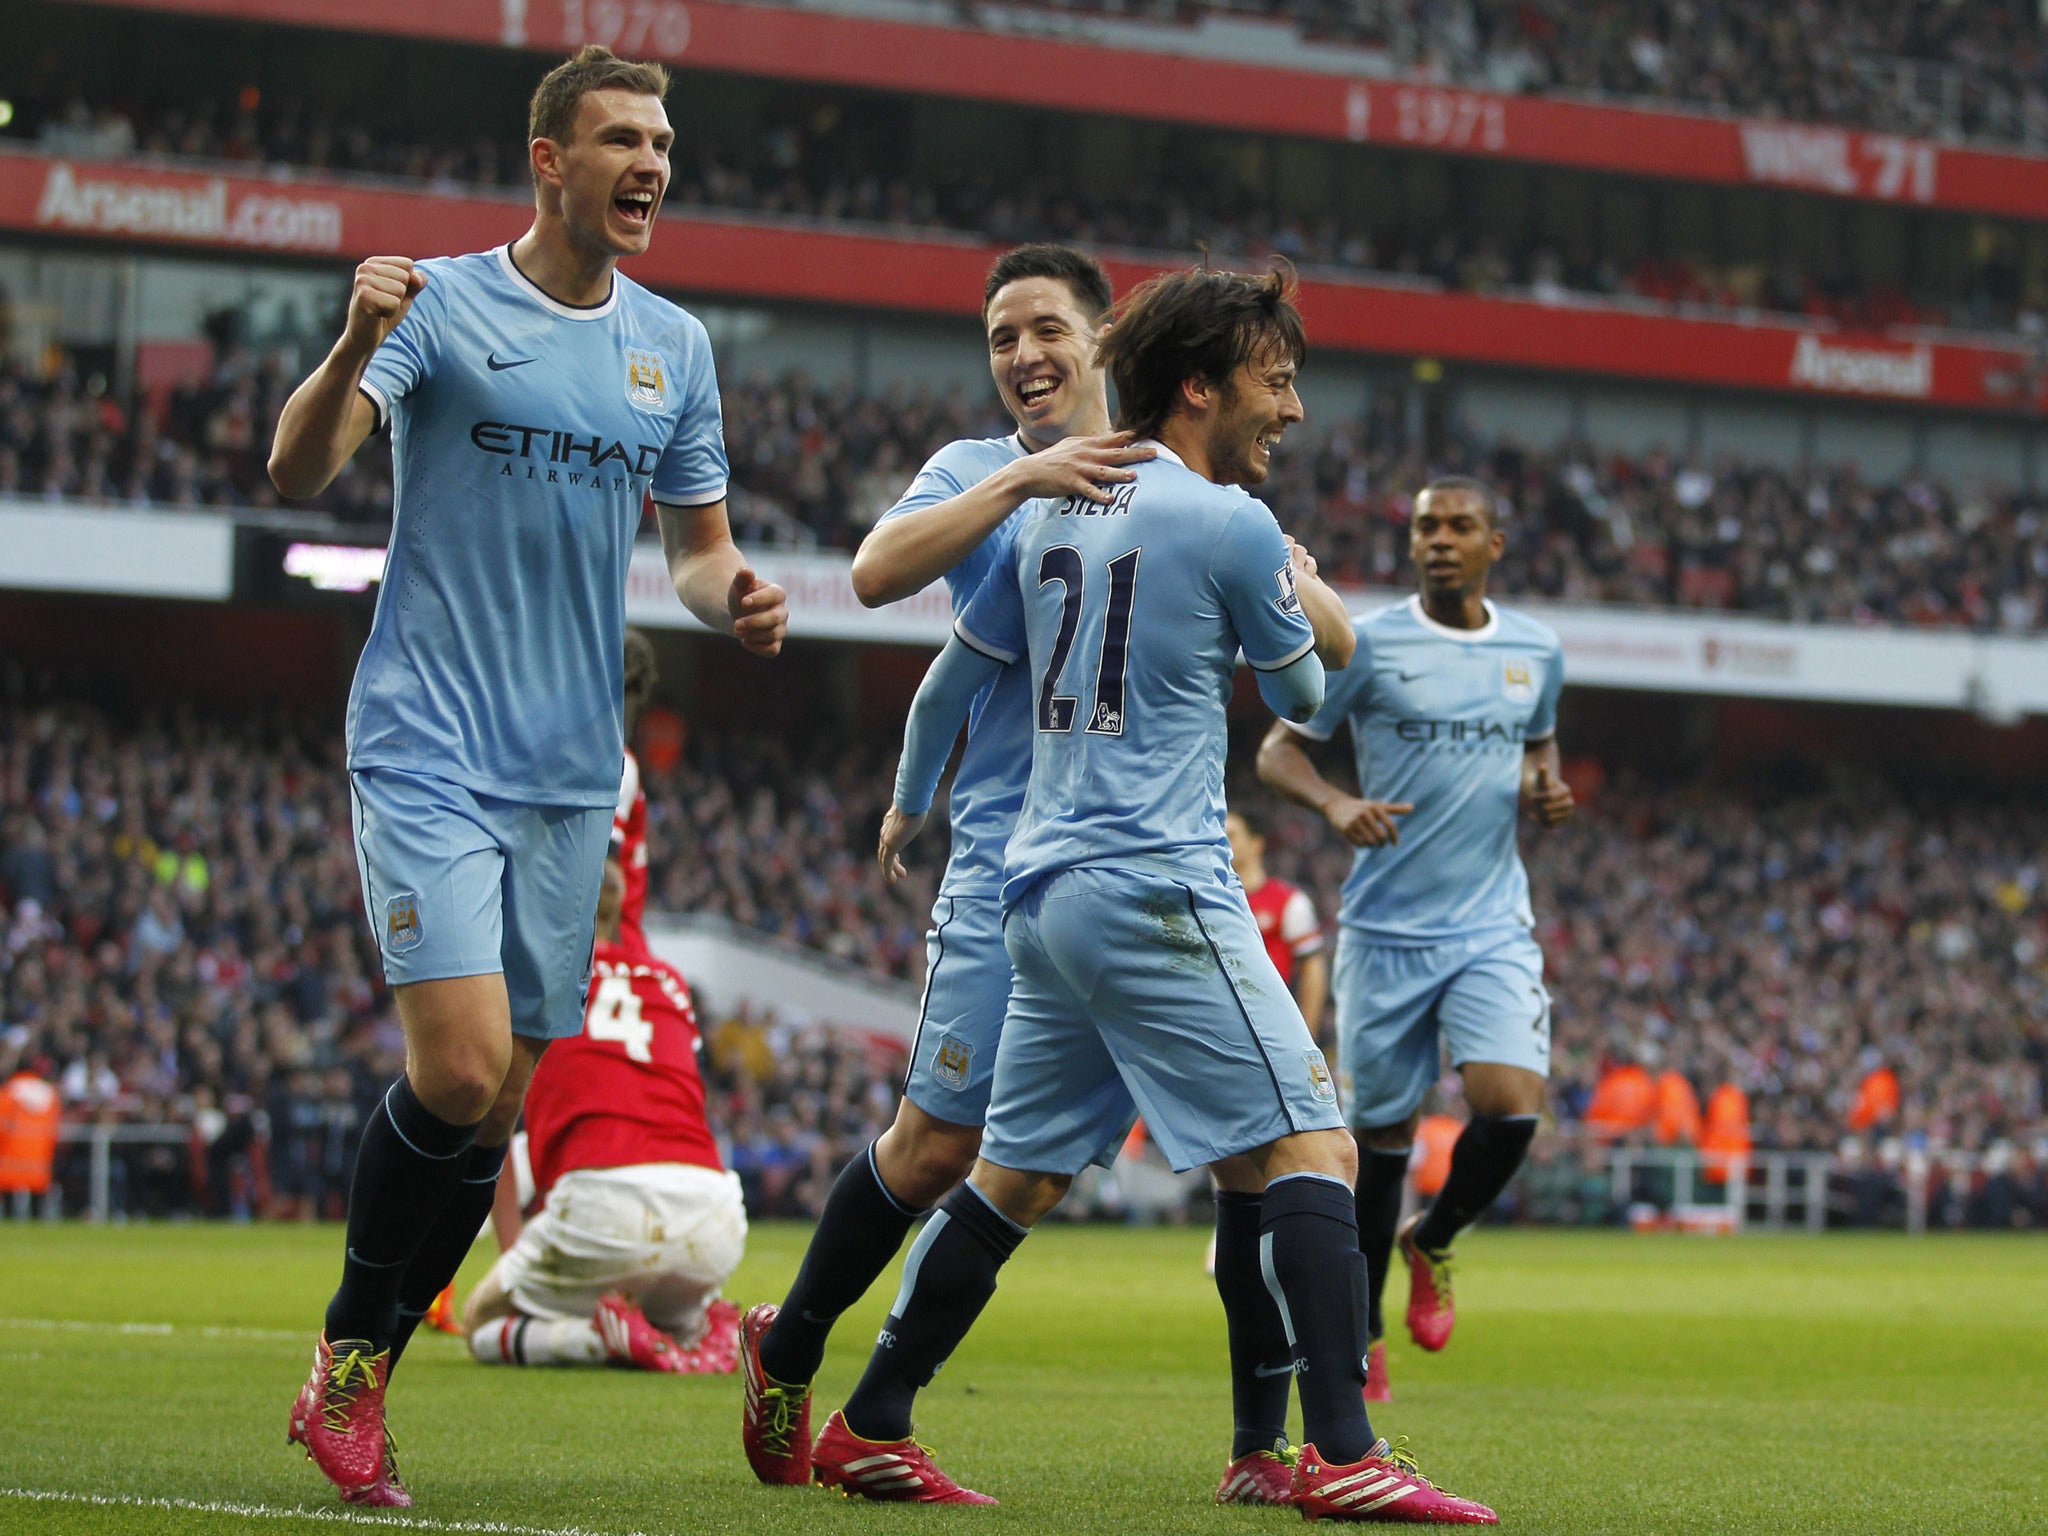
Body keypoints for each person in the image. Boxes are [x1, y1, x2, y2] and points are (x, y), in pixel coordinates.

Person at [859, 265, 1495, 1521]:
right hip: (1156, 883)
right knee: (1311, 1142)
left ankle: (873, 1414)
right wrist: (1300, 582)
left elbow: (954, 674)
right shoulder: (1227, 521)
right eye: (1276, 379)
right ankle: (1341, 1451)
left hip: (1037, 892)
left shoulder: (1051, 510)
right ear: (1200, 383)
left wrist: (909, 795)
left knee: (1013, 1180)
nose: (1293, 409)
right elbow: (1314, 700)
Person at [267, 45, 787, 1507]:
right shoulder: (436, 304)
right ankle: (354, 1363)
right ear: (548, 159)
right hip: (428, 737)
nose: (653, 165)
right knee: (460, 1067)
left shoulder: (673, 348)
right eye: (623, 138)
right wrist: (343, 344)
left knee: (496, 1120)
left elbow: (692, 551)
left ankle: (352, 1373)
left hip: (572, 772)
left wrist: (733, 590)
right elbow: (298, 470)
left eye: (666, 143)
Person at [740, 245, 1166, 1480]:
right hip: (1003, 864)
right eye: (999, 339)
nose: (1023, 357)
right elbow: (877, 579)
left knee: (1027, 1175)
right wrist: (913, 799)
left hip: (1127, 871)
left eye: (1044, 329)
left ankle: (880, 1419)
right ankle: (791, 1342)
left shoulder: (1163, 475)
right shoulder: (977, 472)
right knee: (933, 1147)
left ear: (1101, 334)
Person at [1256, 474, 1572, 1405]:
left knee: (1511, 1103)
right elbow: (1280, 751)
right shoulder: (1371, 642)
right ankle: (1362, 1334)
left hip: (1489, 923)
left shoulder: (1536, 649)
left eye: (1459, 526)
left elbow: (1538, 749)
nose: (1439, 539)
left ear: (1493, 544)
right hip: (1387, 933)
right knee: (1381, 1144)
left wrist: (1544, 789)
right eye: (1427, 526)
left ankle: (1433, 1239)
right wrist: (1337, 801)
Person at [464, 850, 745, 1373]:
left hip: (604, 1202)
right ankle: (705, 1327)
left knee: (482, 1321)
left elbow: (498, 1118)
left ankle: (600, 1339)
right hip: (715, 1209)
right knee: (657, 1296)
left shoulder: (533, 981)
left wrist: (512, 1254)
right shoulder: (671, 982)